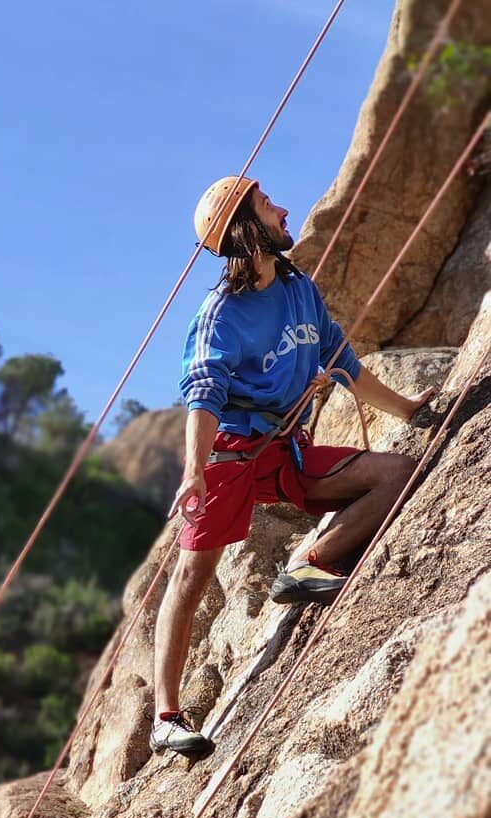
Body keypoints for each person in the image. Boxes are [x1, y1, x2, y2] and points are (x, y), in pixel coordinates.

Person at [149, 176, 436, 761]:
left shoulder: (298, 288)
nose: (283, 210)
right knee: (192, 575)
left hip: (285, 450)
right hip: (230, 454)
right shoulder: (221, 315)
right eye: (267, 205)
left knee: (396, 473)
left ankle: (310, 562)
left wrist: (409, 410)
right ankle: (165, 718)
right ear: (246, 230)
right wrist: (194, 471)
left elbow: (341, 360)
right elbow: (203, 394)